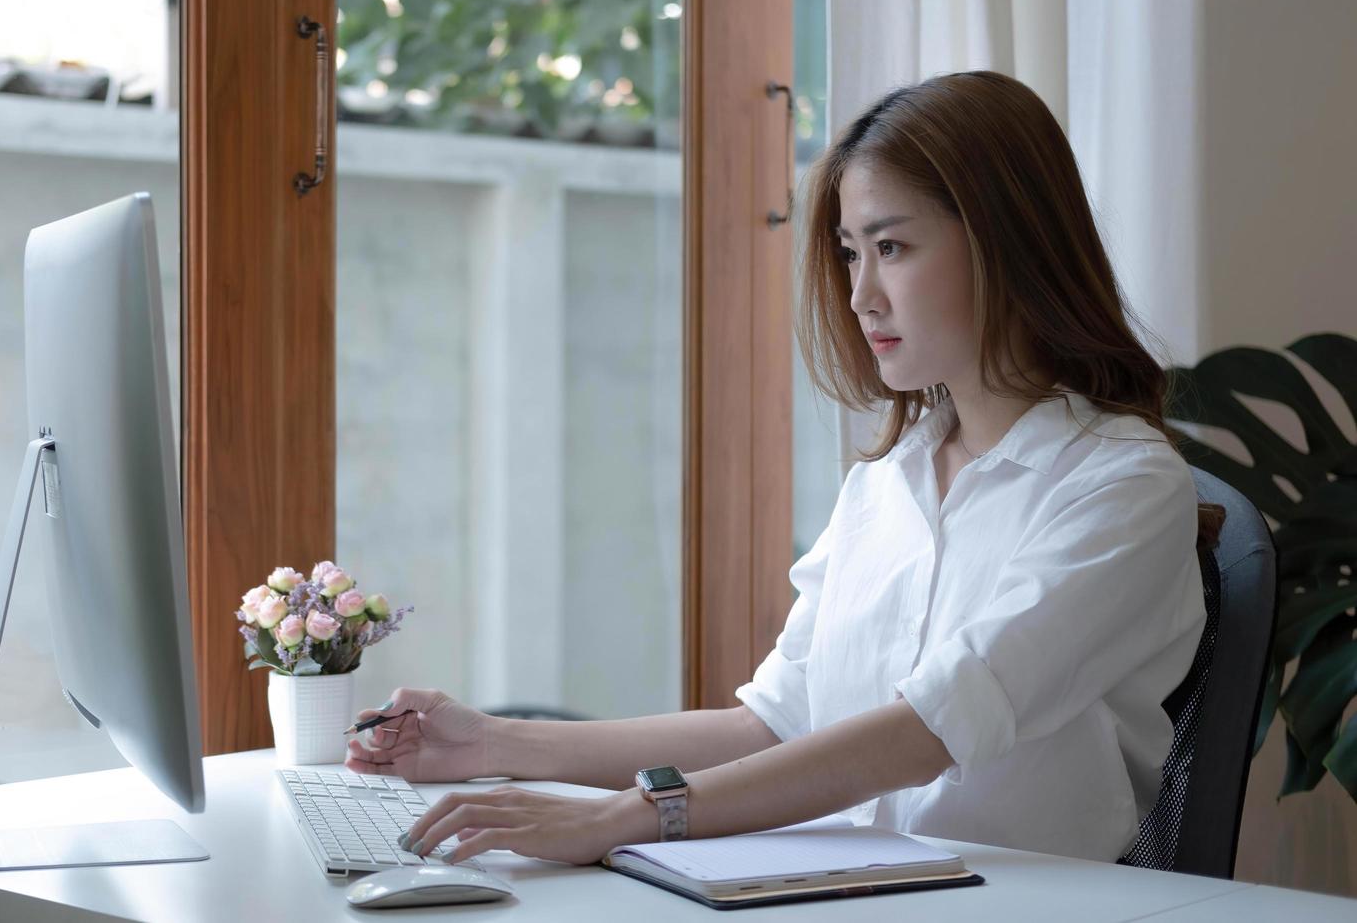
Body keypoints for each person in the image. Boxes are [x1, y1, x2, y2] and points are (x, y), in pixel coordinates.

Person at [346, 70, 1219, 867]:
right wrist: (496, 745)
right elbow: (768, 726)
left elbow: (931, 729)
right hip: (832, 886)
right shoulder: (885, 484)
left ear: (1007, 241)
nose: (860, 295)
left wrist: (618, 819)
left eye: (892, 248)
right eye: (848, 253)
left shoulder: (1122, 487)